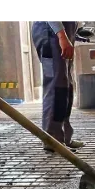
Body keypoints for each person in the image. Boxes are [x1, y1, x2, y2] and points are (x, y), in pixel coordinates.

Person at [32, 20, 84, 151]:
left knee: (65, 87)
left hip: (63, 30)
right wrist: (62, 35)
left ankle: (63, 137)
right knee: (56, 87)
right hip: (51, 33)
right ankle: (52, 139)